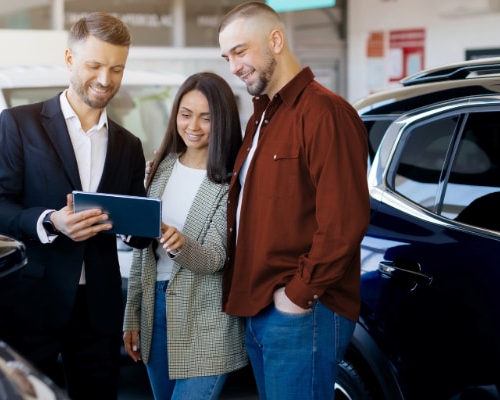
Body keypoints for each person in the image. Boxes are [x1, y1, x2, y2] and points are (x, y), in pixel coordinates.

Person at [0, 12, 146, 400]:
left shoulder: (128, 144)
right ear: (71, 59)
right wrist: (51, 221)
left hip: (99, 310)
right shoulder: (19, 124)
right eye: (94, 65)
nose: (105, 80)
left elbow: (136, 231)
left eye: (116, 69)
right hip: (31, 302)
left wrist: (136, 226)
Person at [217, 3, 371, 400]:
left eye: (240, 51)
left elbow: (344, 222)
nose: (233, 67)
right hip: (261, 309)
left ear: (276, 40)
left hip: (302, 312)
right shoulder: (260, 119)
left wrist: (299, 295)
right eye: (227, 57)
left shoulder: (326, 113)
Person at [122, 72, 247, 400]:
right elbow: (142, 252)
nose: (193, 125)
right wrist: (130, 316)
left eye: (206, 118)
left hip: (206, 320)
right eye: (186, 114)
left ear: (222, 121)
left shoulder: (231, 179)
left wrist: (181, 246)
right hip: (153, 311)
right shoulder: (160, 168)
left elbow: (217, 258)